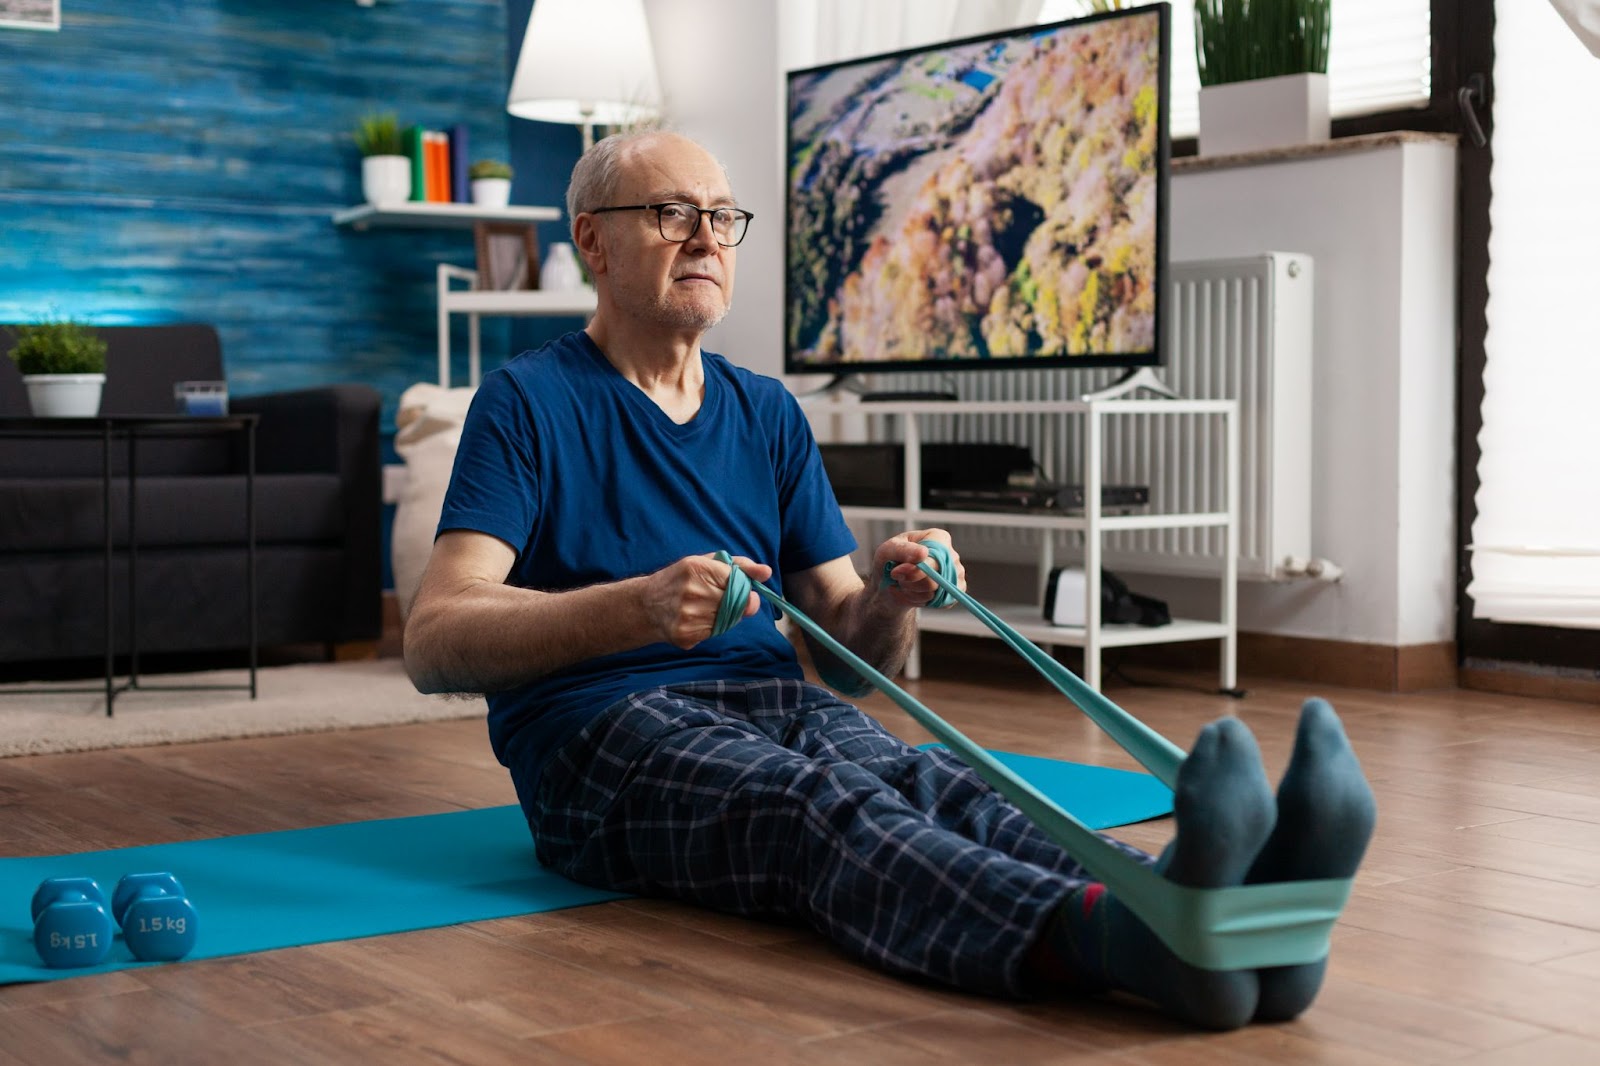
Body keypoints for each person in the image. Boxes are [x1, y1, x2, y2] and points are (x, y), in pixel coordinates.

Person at [403, 130, 1376, 1031]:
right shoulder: (528, 401)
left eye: (721, 216)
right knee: (813, 805)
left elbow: (851, 653)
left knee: (931, 780)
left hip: (764, 697)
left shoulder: (766, 412)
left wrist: (889, 598)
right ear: (593, 245)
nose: (706, 236)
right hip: (598, 740)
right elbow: (436, 636)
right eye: (670, 213)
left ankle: (1210, 906)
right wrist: (640, 604)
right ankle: (1128, 944)